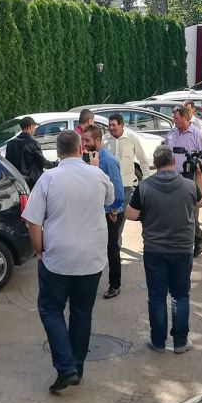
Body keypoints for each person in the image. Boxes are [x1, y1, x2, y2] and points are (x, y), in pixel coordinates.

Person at [22, 129, 115, 393]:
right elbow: (110, 199)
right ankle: (77, 367)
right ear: (80, 149)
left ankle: (66, 367)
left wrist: (39, 250)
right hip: (91, 259)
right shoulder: (97, 175)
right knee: (82, 313)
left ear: (58, 152)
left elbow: (32, 221)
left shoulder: (48, 178)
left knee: (50, 310)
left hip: (57, 259)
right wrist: (95, 169)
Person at [126, 146, 202, 353]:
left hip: (155, 250)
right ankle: (180, 342)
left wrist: (146, 214)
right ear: (174, 162)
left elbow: (131, 214)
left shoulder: (144, 187)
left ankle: (158, 342)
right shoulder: (189, 185)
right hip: (182, 249)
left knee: (157, 296)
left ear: (155, 164)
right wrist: (200, 177)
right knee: (181, 295)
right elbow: (201, 201)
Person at [82, 123, 126, 299]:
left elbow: (119, 191)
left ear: (98, 140)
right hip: (98, 212)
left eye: (87, 140)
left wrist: (114, 211)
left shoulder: (108, 160)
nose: (84, 144)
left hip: (110, 213)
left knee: (112, 250)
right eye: (83, 140)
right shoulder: (92, 158)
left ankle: (115, 285)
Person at [165, 106, 202, 256]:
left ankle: (198, 239)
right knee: (174, 212)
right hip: (173, 177)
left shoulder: (197, 134)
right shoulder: (171, 134)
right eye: (173, 118)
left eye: (176, 118)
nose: (174, 121)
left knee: (190, 212)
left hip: (190, 176)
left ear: (185, 118)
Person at [4, 117, 54, 189]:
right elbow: (42, 162)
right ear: (30, 126)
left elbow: (8, 163)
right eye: (34, 127)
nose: (34, 129)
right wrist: (54, 165)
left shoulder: (11, 143)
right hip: (31, 181)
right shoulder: (33, 143)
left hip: (16, 179)